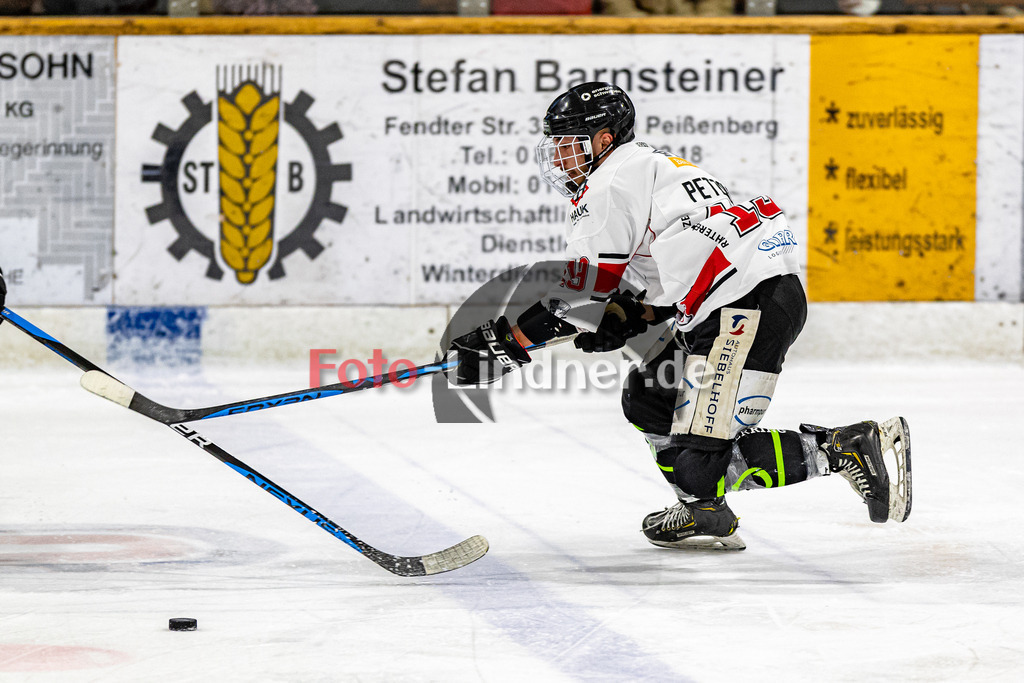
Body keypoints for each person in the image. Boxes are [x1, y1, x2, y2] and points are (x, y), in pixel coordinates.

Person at [445, 82, 911, 550]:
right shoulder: (651, 168)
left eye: (569, 145)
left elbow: (579, 296)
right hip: (742, 298)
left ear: (603, 140)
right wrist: (633, 312)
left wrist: (502, 344)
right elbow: (677, 264)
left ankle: (840, 448)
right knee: (649, 396)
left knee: (696, 467)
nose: (560, 158)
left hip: (744, 309)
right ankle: (702, 509)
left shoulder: (610, 182)